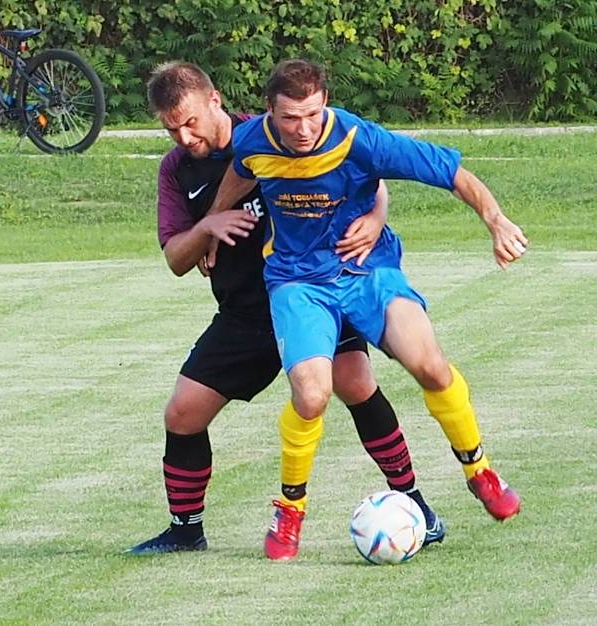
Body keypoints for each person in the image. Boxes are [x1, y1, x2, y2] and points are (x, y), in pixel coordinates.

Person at [207, 59, 527, 561]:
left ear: (325, 103)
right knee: (312, 395)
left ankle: (479, 471)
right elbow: (238, 172)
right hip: (296, 283)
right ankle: (291, 510)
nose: (304, 128)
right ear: (270, 112)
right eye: (291, 117)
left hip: (367, 272)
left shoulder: (358, 137)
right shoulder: (253, 140)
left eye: (313, 113)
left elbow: (451, 173)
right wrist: (212, 221)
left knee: (431, 366)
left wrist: (497, 221)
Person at [127, 61, 445, 555]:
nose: (184, 136)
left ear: (215, 101)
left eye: (190, 122)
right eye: (172, 128)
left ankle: (415, 503)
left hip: (313, 291)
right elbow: (175, 258)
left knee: (357, 386)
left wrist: (378, 217)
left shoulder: (271, 131)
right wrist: (207, 228)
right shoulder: (176, 170)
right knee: (183, 413)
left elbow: (364, 171)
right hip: (247, 313)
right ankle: (186, 530)